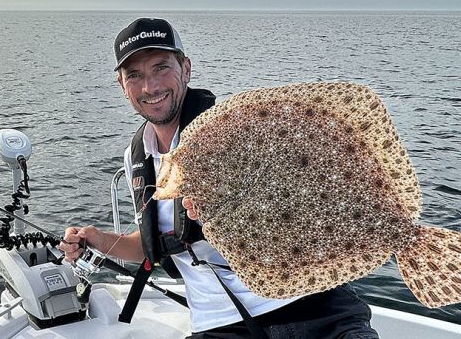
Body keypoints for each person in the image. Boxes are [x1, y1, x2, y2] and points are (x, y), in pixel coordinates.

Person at [60, 17, 380, 339]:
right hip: (220, 322)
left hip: (312, 301)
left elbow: (305, 201)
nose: (150, 86)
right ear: (122, 85)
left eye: (161, 68)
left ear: (185, 68)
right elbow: (152, 245)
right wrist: (97, 239)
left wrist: (235, 209)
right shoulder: (136, 157)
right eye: (135, 75)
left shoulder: (232, 131)